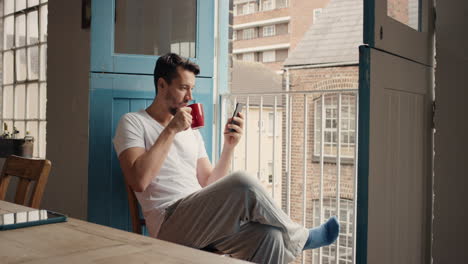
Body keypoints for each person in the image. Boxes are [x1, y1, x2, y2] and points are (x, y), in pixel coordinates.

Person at [113, 53, 339, 263]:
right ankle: (302, 237)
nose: (190, 97)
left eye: (192, 89)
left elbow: (209, 183)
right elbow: (139, 181)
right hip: (168, 224)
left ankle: (292, 237)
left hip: (203, 221)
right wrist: (171, 130)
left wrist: (229, 147)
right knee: (242, 182)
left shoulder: (191, 131)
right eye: (183, 88)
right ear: (162, 85)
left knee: (270, 236)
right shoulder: (133, 122)